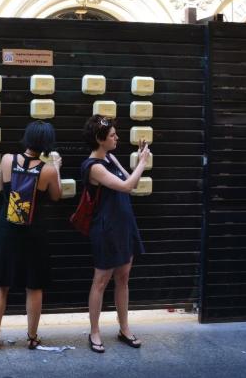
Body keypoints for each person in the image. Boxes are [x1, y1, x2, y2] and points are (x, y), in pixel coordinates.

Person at [0, 120, 63, 351]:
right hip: (34, 233)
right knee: (34, 286)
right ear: (47, 143)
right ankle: (31, 337)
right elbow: (56, 196)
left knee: (0, 284)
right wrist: (57, 167)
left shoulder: (7, 160)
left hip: (7, 229)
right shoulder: (47, 170)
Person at [81, 115, 150, 353]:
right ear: (100, 139)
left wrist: (138, 161)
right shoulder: (94, 166)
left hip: (124, 225)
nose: (117, 138)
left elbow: (133, 184)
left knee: (123, 278)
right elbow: (127, 186)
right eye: (112, 135)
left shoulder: (110, 158)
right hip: (106, 229)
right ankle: (94, 331)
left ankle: (124, 328)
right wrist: (143, 162)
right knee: (100, 281)